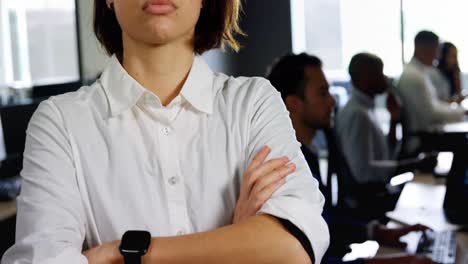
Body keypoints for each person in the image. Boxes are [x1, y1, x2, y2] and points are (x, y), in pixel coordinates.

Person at [1, 1, 330, 263]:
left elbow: (293, 247)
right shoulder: (60, 121)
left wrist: (126, 253)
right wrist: (238, 242)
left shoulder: (254, 102)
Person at [267, 53, 434, 264]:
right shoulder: (285, 171)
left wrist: (377, 233)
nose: (332, 100)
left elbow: (324, 221)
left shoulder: (306, 155)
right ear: (293, 104)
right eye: (322, 93)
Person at [336, 53, 400, 185]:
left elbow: (384, 156)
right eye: (380, 73)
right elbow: (363, 173)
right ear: (365, 78)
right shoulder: (357, 114)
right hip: (369, 200)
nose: (385, 78)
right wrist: (411, 165)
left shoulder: (366, 108)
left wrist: (394, 120)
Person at [396, 31, 465, 154]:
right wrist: (461, 112)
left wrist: (459, 111)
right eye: (436, 50)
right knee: (464, 142)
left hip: (425, 135)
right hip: (421, 141)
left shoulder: (418, 72)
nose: (438, 56)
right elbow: (432, 114)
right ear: (424, 48)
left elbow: (435, 106)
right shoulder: (414, 76)